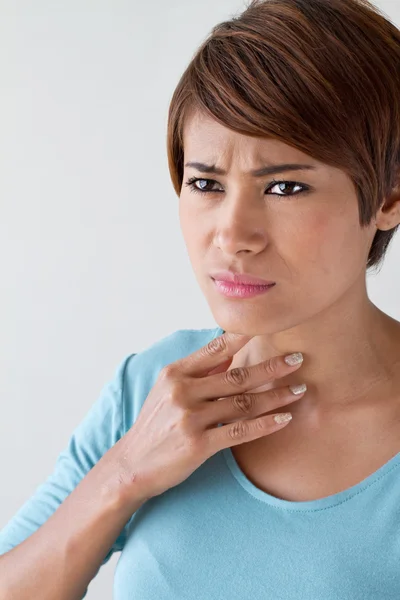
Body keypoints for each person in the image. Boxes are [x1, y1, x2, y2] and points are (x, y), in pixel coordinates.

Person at [1, 0, 400, 597]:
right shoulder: (153, 389)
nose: (233, 235)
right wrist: (125, 474)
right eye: (206, 183)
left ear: (390, 195)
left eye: (285, 187)